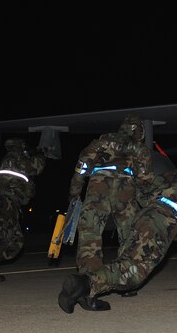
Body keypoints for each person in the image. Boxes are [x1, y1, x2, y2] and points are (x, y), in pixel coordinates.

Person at [58, 150, 177, 313]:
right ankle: (84, 284)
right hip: (162, 223)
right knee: (133, 272)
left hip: (144, 216)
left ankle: (89, 290)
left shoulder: (175, 174)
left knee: (125, 262)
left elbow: (144, 194)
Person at [65, 114, 163, 311]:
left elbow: (81, 167)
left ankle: (87, 290)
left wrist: (74, 194)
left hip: (97, 188)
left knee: (90, 238)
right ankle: (126, 283)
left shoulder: (101, 142)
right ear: (140, 132)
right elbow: (145, 180)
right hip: (125, 192)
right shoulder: (140, 149)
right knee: (129, 238)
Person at [0, 138, 46, 282]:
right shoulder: (14, 158)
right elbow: (36, 167)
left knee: (16, 242)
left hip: (11, 203)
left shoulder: (14, 159)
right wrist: (41, 155)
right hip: (5, 202)